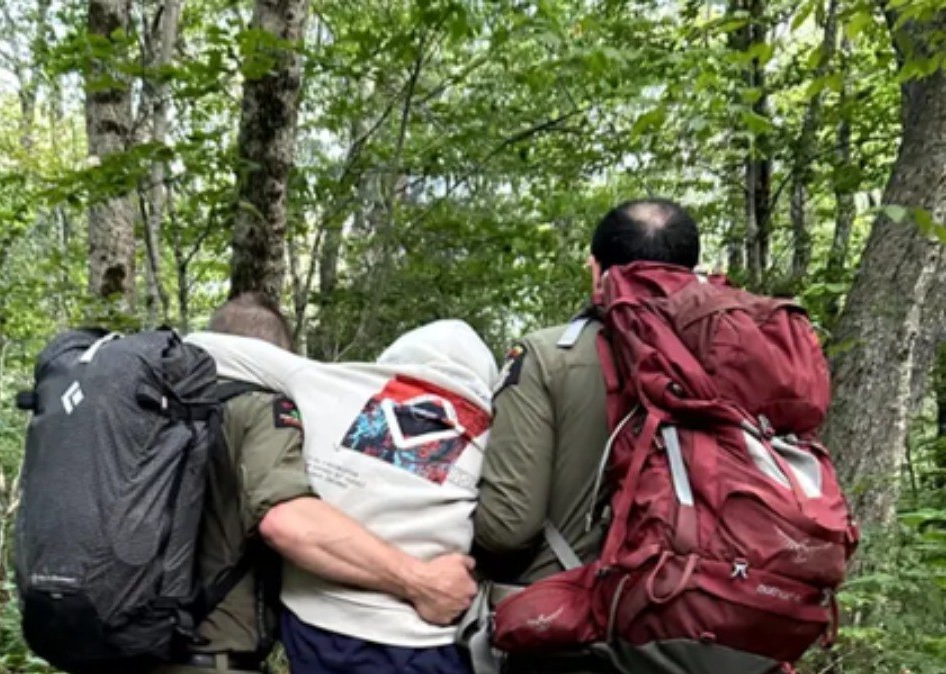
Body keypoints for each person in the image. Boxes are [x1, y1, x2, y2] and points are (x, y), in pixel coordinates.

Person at [161, 293, 480, 674]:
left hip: (317, 633)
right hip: (424, 642)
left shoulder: (328, 384)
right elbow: (287, 522)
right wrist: (422, 581)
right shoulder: (492, 426)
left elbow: (207, 346)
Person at [473, 198, 701, 674]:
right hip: (694, 630)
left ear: (595, 271)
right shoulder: (729, 360)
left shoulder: (547, 357)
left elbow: (508, 527)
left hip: (571, 637)